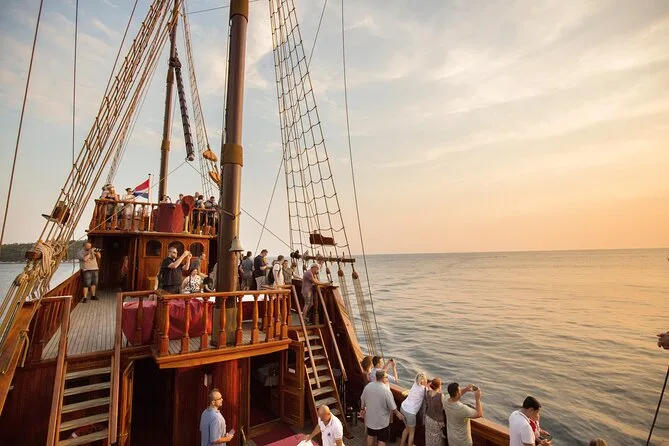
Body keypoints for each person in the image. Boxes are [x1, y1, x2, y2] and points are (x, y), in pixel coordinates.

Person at [360, 370, 405, 446]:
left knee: (370, 436)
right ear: (382, 378)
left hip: (370, 419)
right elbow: (392, 407)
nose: (387, 378)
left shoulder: (368, 386)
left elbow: (362, 399)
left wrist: (362, 409)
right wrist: (398, 414)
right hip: (382, 422)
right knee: (381, 440)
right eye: (386, 377)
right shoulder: (386, 391)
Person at [400, 373, 428, 446]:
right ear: (422, 381)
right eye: (426, 379)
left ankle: (401, 444)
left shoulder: (415, 384)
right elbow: (428, 397)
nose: (427, 380)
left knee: (407, 428)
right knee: (411, 433)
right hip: (410, 413)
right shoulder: (424, 389)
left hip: (403, 407)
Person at [424, 378, 444, 446]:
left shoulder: (428, 392)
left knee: (429, 437)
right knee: (437, 439)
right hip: (437, 421)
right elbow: (444, 407)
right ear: (439, 386)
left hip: (428, 418)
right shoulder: (441, 396)